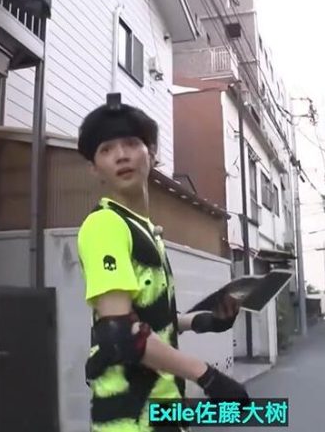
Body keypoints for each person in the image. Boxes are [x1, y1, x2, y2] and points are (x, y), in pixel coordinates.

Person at [77, 94, 249, 432]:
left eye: (131, 143)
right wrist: (207, 376)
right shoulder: (104, 225)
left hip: (163, 411)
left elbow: (148, 319)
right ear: (94, 168)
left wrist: (204, 321)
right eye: (106, 149)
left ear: (152, 153)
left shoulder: (143, 228)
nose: (121, 155)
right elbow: (119, 334)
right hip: (129, 419)